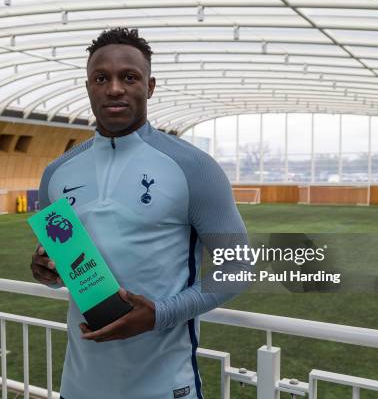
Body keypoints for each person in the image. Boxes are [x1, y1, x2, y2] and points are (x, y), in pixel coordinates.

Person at [31, 27, 248, 399]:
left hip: (164, 387)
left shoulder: (193, 167)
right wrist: (47, 272)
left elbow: (238, 268)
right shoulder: (57, 173)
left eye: (128, 77)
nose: (114, 88)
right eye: (102, 78)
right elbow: (65, 270)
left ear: (149, 86)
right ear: (88, 87)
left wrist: (161, 313)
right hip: (79, 387)